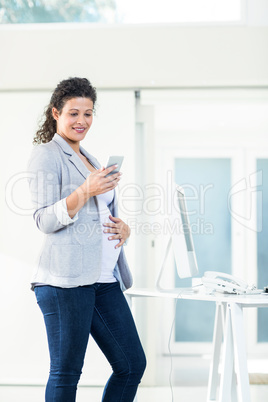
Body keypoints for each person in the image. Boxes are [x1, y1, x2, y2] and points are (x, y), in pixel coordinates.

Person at [28, 77, 146, 402]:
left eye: (88, 114)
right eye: (73, 113)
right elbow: (44, 219)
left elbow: (99, 213)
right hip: (66, 282)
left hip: (103, 279)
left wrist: (123, 229)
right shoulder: (47, 156)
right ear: (56, 113)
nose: (82, 121)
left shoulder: (90, 159)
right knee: (66, 373)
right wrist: (86, 190)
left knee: (132, 364)